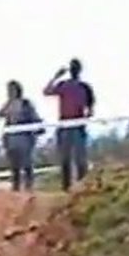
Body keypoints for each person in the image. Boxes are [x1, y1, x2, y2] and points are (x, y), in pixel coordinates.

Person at [43, 58, 95, 190]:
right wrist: (55, 76)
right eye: (72, 68)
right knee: (65, 159)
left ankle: (82, 186)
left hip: (78, 125)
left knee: (80, 159)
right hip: (65, 124)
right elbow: (46, 91)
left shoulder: (85, 87)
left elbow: (91, 108)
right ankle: (66, 188)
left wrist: (85, 115)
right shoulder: (63, 84)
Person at [0, 80, 43, 191]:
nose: (10, 92)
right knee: (14, 165)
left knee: (27, 163)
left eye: (12, 89)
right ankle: (16, 187)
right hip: (11, 137)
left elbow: (34, 117)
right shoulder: (8, 104)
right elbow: (0, 114)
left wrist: (37, 128)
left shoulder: (25, 103)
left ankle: (29, 186)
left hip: (24, 136)